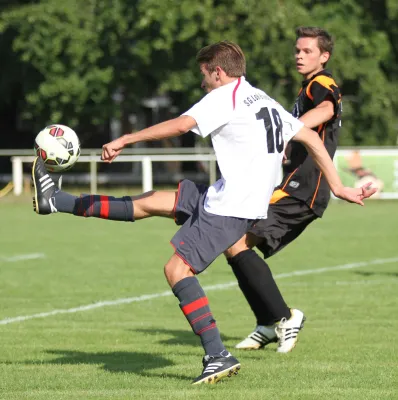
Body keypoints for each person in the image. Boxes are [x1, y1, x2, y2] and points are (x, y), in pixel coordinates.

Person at [31, 40, 375, 385]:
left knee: (177, 269)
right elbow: (314, 141)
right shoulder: (262, 98)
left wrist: (126, 140)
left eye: (204, 76)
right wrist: (341, 187)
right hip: (230, 197)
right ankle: (56, 201)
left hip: (232, 206)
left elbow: (181, 125)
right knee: (150, 201)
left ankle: (217, 355)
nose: (202, 84)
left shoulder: (224, 97)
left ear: (218, 71)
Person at [223, 27, 347, 353]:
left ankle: (284, 316)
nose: (299, 55)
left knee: (236, 243)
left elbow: (326, 110)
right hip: (293, 187)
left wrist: (289, 131)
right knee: (234, 245)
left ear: (324, 56)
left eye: (307, 51)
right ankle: (267, 323)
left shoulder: (322, 84)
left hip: (303, 189)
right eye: (297, 50)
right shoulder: (306, 88)